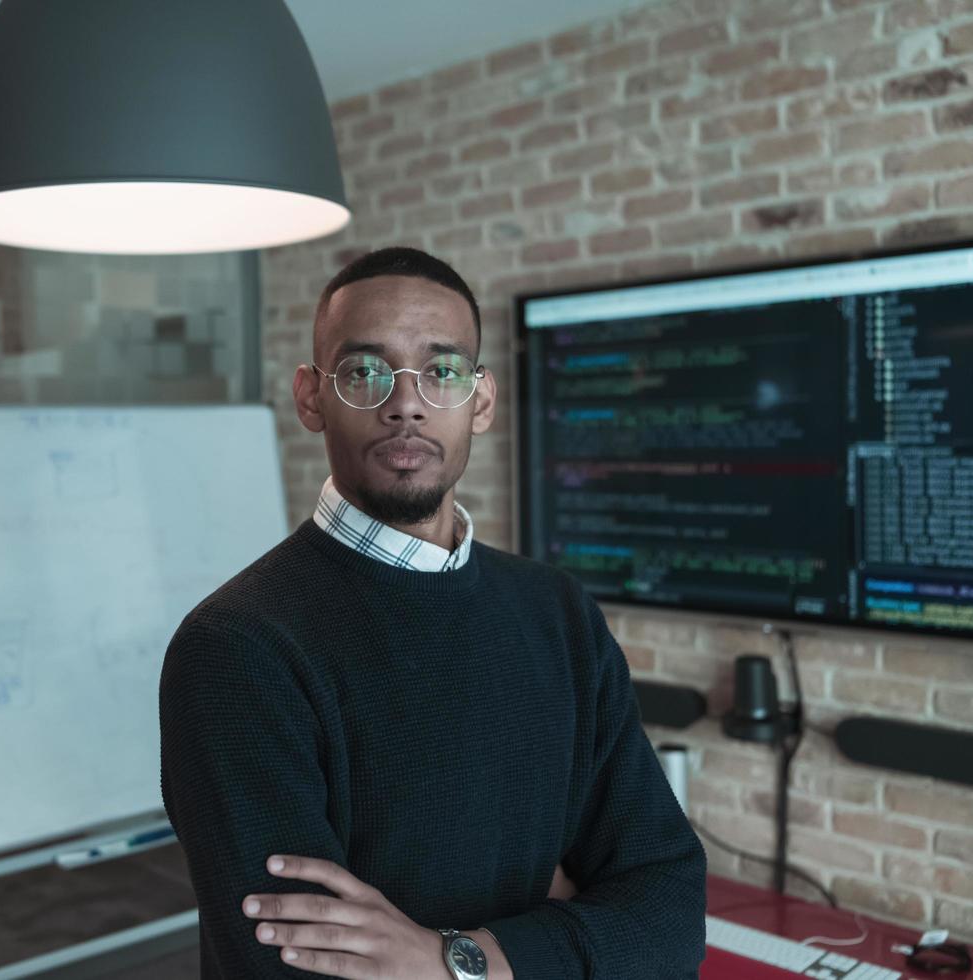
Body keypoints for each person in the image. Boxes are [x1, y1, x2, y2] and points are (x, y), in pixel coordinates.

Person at [159, 246, 706, 979]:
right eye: (364, 372)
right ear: (310, 397)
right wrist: (568, 925)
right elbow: (293, 972)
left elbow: (669, 910)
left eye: (441, 370)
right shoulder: (238, 648)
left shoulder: (558, 615)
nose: (406, 403)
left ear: (481, 401)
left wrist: (455, 961)